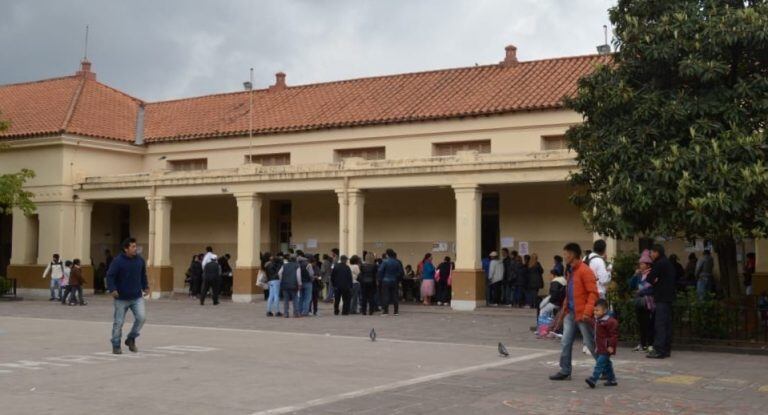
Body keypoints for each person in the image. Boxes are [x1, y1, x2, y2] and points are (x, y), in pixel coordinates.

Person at [549, 242, 599, 381]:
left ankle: (605, 369)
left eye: (565, 254)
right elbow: (570, 292)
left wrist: (587, 312)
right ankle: (565, 370)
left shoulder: (585, 270)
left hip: (583, 314)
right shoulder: (571, 270)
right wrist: (564, 309)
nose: (564, 257)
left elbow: (593, 293)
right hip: (571, 312)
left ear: (572, 255)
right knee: (565, 341)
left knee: (590, 343)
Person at [107, 237, 149, 355]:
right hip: (121, 298)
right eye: (133, 247)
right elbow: (110, 276)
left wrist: (146, 287)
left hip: (136, 296)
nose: (136, 249)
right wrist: (112, 289)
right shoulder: (117, 261)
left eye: (136, 246)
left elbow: (143, 275)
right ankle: (116, 345)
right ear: (126, 249)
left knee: (142, 318)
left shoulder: (140, 260)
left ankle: (131, 338)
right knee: (118, 322)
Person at [646, 244, 676, 359]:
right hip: (669, 297)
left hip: (661, 297)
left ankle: (659, 349)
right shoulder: (668, 263)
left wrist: (655, 281)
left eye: (652, 253)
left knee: (660, 324)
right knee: (667, 324)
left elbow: (649, 278)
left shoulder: (659, 263)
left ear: (657, 252)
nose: (651, 255)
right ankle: (666, 349)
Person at [585, 299, 619, 388]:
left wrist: (611, 346)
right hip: (600, 347)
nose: (595, 312)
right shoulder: (598, 320)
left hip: (607, 347)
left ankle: (593, 379)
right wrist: (587, 319)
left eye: (597, 310)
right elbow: (594, 325)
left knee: (599, 363)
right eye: (594, 310)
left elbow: (614, 336)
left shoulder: (610, 322)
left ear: (604, 311)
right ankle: (612, 379)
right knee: (607, 364)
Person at [632, 250, 655, 352]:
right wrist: (634, 275)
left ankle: (649, 343)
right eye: (640, 264)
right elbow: (631, 285)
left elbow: (651, 288)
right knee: (640, 324)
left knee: (648, 323)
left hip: (648, 302)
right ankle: (642, 343)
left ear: (648, 265)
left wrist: (640, 290)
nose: (640, 266)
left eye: (642, 264)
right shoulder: (640, 275)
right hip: (639, 302)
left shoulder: (651, 274)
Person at [378, 249, 404, 315]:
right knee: (395, 296)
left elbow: (380, 270)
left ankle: (385, 311)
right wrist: (397, 278)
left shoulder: (385, 262)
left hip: (386, 280)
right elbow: (400, 272)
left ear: (387, 254)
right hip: (394, 280)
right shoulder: (397, 262)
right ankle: (396, 311)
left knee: (385, 296)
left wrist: (380, 278)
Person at [296, 251, 315, 317]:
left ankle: (299, 311)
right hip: (307, 283)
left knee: (301, 297)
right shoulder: (308, 264)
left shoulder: (297, 263)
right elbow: (311, 274)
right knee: (307, 298)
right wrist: (312, 279)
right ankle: (305, 312)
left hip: (299, 282)